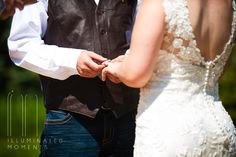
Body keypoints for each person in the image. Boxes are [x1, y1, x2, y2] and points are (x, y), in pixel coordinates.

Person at [102, 0, 236, 156]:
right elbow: (217, 71)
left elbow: (136, 75)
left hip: (170, 130)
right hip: (220, 130)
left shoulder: (159, 2)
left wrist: (116, 67)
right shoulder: (229, 4)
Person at [8, 0, 140, 156]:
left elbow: (146, 34)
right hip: (70, 121)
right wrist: (72, 60)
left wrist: (129, 62)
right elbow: (21, 45)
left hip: (128, 117)